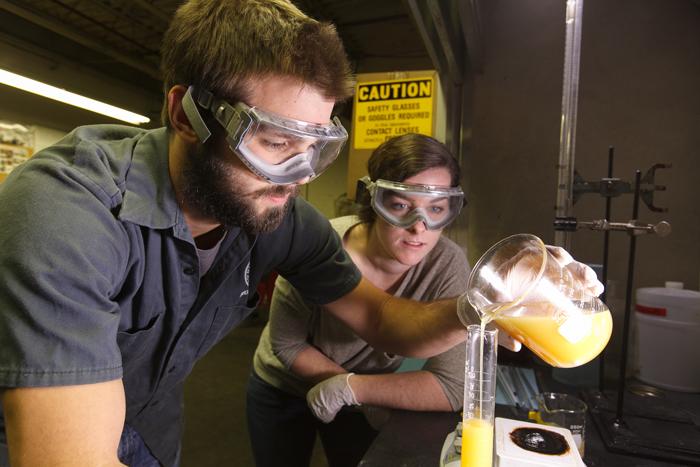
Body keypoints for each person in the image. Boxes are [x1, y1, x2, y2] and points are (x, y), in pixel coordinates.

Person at [0, 1, 601, 466]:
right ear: (186, 114)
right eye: (276, 143)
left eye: (317, 148)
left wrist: (488, 299)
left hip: (149, 427)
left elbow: (386, 322)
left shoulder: (273, 215)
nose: (299, 177)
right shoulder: (66, 216)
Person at [247, 133, 471, 467]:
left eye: (436, 209)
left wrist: (356, 391)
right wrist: (350, 387)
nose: (419, 227)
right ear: (373, 201)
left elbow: (451, 385)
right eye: (399, 206)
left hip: (365, 392)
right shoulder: (322, 246)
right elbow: (288, 344)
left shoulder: (449, 265)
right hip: (284, 383)